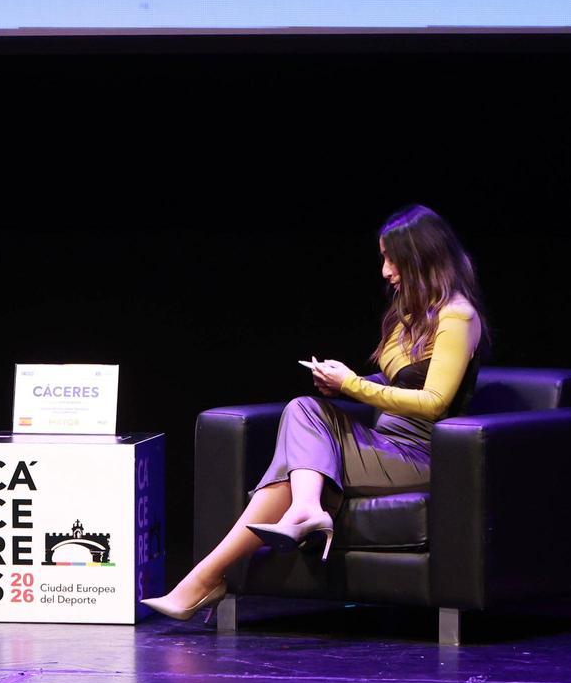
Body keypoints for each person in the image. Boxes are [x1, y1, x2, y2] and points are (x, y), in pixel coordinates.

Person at [142, 204, 488, 621]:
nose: (385, 271)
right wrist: (341, 382)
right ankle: (298, 514)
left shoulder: (457, 316)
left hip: (422, 456)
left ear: (421, 257)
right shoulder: (411, 314)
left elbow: (435, 401)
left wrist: (353, 385)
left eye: (392, 259)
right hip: (386, 443)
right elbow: (399, 381)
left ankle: (208, 578)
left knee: (295, 449)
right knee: (303, 408)